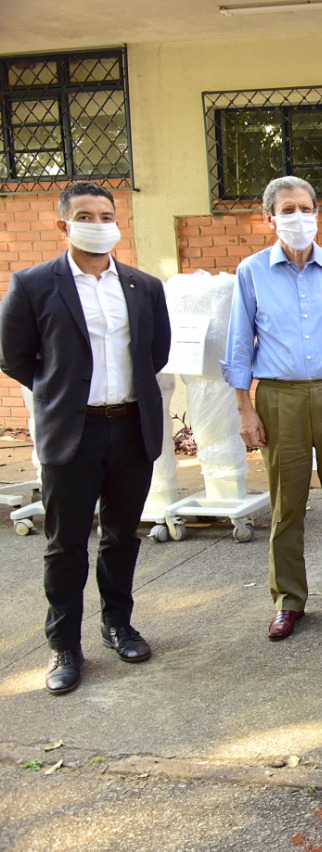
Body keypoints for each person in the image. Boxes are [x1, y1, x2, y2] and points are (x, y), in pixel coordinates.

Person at [0, 181, 171, 694]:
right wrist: (63, 392)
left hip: (132, 428)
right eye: (85, 216)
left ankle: (118, 625)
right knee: (66, 544)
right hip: (72, 432)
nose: (98, 225)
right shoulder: (33, 284)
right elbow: (13, 356)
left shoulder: (144, 286)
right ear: (63, 225)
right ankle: (64, 645)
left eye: (105, 215)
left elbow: (156, 352)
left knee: (122, 535)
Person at [225, 176, 322, 641]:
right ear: (269, 218)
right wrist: (244, 409)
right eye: (287, 209)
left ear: (317, 213)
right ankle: (288, 599)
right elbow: (240, 344)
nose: (298, 217)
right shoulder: (252, 272)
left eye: (305, 208)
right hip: (280, 398)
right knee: (287, 506)